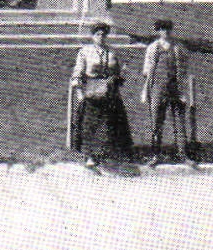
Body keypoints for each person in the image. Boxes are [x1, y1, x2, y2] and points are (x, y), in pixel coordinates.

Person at [70, 22, 135, 170]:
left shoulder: (112, 52)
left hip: (110, 93)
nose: (101, 37)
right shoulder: (85, 52)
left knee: (111, 124)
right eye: (97, 34)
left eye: (103, 34)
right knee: (90, 125)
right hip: (92, 92)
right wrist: (80, 93)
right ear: (92, 36)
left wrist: (120, 77)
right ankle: (89, 156)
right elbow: (77, 73)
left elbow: (119, 72)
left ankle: (109, 155)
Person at [140, 18, 194, 166]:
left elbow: (183, 70)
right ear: (158, 31)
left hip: (175, 89)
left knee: (179, 122)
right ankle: (156, 155)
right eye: (162, 29)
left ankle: (183, 155)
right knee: (156, 122)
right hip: (157, 89)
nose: (165, 32)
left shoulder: (178, 48)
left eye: (168, 29)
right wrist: (146, 91)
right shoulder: (153, 48)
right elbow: (147, 72)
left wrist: (182, 91)